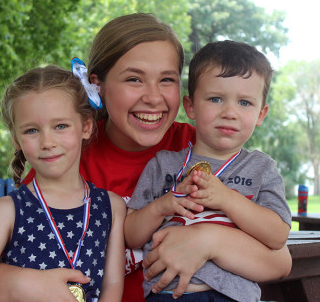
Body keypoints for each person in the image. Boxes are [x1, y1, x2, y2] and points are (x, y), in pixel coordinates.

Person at [0, 13, 292, 302]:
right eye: (134, 79)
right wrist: (18, 281)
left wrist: (210, 240)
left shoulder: (201, 149)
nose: (152, 97)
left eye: (167, 80)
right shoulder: (66, 156)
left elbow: (279, 261)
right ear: (97, 85)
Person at [124, 40, 292, 301]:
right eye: (216, 99)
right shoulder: (163, 164)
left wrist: (226, 198)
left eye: (245, 103)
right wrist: (162, 206)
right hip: (166, 295)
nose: (229, 112)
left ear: (261, 113)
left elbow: (277, 235)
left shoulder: (261, 168)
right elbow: (131, 236)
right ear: (190, 106)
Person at [0, 65, 126, 302]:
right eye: (32, 130)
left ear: (86, 126)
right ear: (16, 139)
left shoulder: (112, 206)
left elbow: (112, 288)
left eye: (60, 126)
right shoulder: (6, 211)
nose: (47, 141)